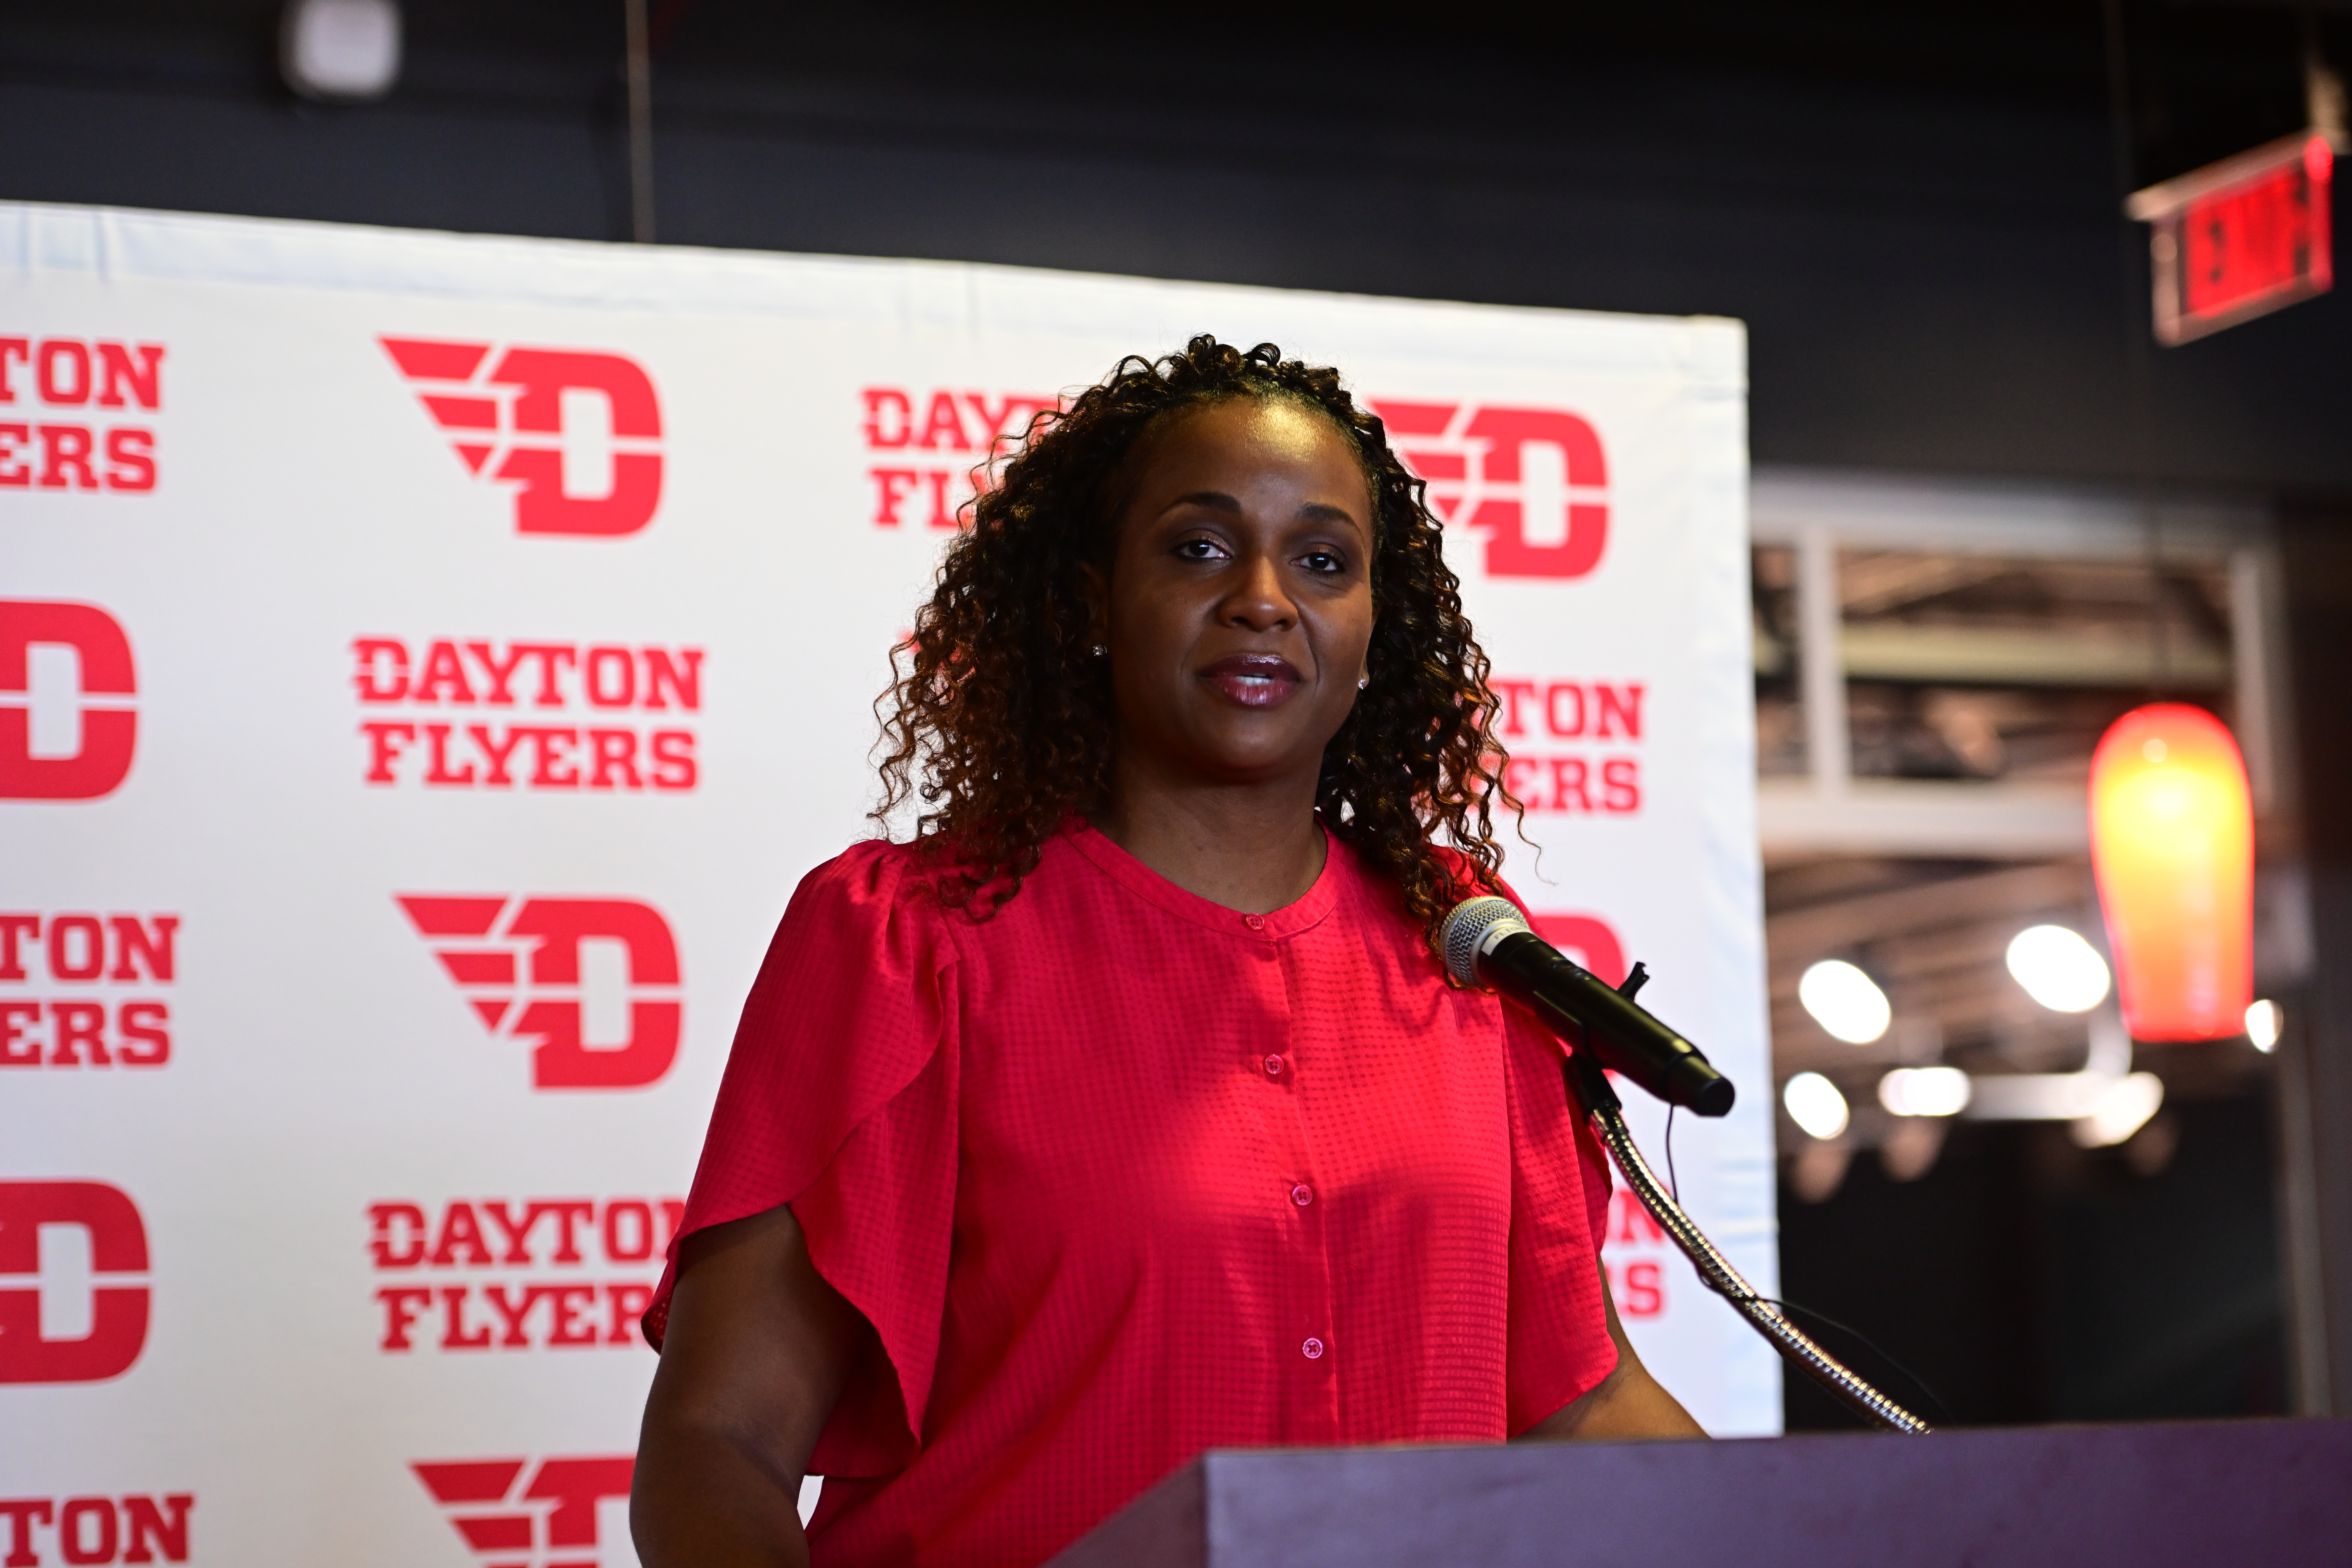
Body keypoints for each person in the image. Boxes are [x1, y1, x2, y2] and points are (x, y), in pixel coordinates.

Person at [631, 336, 1703, 1568]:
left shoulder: (1466, 951)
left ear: (1371, 626)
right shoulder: (908, 942)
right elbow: (720, 1445)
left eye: (1323, 559)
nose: (1263, 595)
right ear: (1089, 601)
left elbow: (1579, 1401)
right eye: (1199, 546)